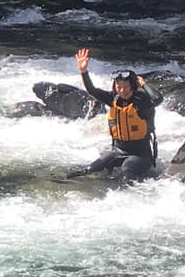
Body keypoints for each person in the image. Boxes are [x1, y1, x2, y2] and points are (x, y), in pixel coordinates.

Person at [69, 48, 161, 182]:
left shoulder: (142, 101)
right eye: (119, 87)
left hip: (141, 155)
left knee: (126, 172)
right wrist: (83, 71)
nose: (122, 90)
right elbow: (92, 90)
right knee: (89, 169)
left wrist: (144, 84)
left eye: (126, 87)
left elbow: (158, 98)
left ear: (133, 86)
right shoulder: (113, 98)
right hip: (118, 151)